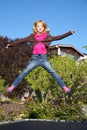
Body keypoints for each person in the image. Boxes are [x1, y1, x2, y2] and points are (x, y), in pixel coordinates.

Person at [6, 20, 75, 93]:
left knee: (53, 72)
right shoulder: (31, 37)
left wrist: (69, 33)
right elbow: (21, 41)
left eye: (41, 26)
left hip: (44, 59)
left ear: (44, 27)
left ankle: (64, 87)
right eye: (38, 26)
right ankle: (13, 86)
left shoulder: (48, 36)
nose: (40, 27)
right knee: (25, 72)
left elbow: (59, 37)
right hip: (35, 59)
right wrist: (11, 45)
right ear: (35, 27)